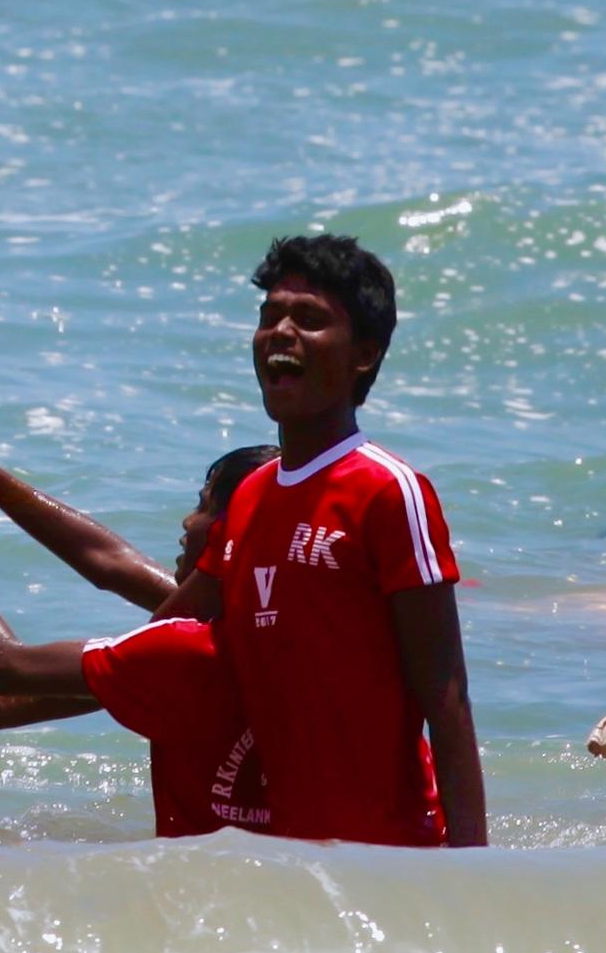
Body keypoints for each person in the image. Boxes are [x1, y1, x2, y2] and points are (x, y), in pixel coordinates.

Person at [148, 234, 486, 848]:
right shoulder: (250, 496)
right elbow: (155, 648)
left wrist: (470, 875)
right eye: (269, 316)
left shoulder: (390, 491)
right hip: (291, 864)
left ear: (363, 355)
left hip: (396, 856)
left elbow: (448, 697)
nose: (280, 332)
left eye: (308, 319)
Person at [0, 401, 278, 834]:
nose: (188, 520)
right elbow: (110, 563)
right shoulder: (278, 625)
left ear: (228, 534)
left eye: (204, 507)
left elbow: (8, 666)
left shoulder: (187, 648)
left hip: (202, 885)